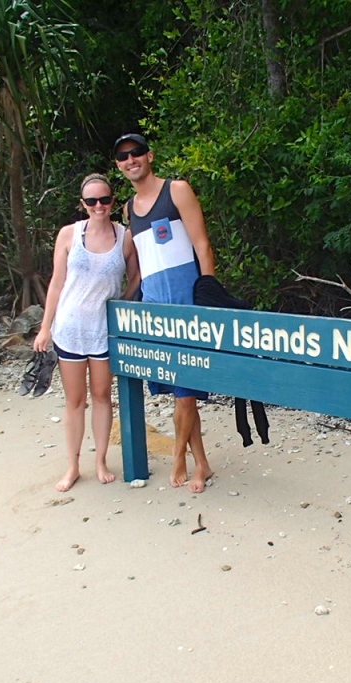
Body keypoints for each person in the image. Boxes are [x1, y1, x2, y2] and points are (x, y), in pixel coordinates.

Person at [114, 133, 216, 493]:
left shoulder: (177, 190)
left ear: (149, 155)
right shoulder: (128, 209)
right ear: (118, 165)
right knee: (180, 391)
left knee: (186, 393)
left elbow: (202, 245)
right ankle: (202, 463)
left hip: (187, 305)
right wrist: (129, 301)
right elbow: (140, 267)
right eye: (124, 157)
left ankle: (179, 458)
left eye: (136, 152)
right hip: (154, 311)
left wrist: (208, 294)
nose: (131, 160)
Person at [34, 173, 137, 492]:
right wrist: (45, 327)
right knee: (75, 400)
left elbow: (136, 279)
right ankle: (73, 465)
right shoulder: (68, 234)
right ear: (83, 204)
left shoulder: (126, 237)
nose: (98, 206)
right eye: (91, 201)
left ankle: (101, 460)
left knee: (103, 396)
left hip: (104, 330)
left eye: (104, 200)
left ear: (112, 201)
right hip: (71, 328)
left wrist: (120, 308)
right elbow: (56, 282)